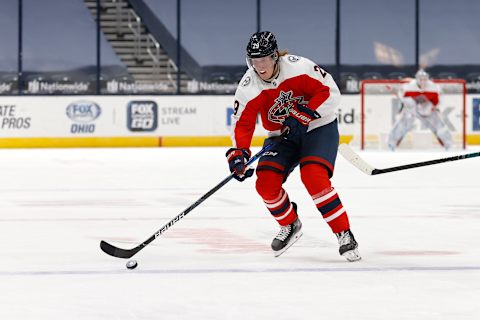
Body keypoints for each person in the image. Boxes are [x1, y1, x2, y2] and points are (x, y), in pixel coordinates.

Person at [225, 31, 361, 262]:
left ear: (275, 56)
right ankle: (290, 223)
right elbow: (242, 124)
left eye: (264, 59)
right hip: (282, 136)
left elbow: (330, 92)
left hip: (318, 127)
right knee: (265, 182)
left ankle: (344, 233)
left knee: (313, 176)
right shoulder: (248, 86)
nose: (259, 66)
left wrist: (303, 115)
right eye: (254, 61)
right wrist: (239, 154)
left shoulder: (300, 67)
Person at [387, 69, 453, 150]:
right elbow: (402, 98)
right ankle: (391, 144)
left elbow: (437, 101)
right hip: (412, 108)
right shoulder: (408, 87)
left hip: (427, 107)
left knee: (439, 124)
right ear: (416, 79)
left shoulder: (433, 87)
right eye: (420, 79)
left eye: (425, 79)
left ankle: (448, 144)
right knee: (402, 123)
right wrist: (404, 108)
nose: (423, 81)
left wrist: (433, 107)